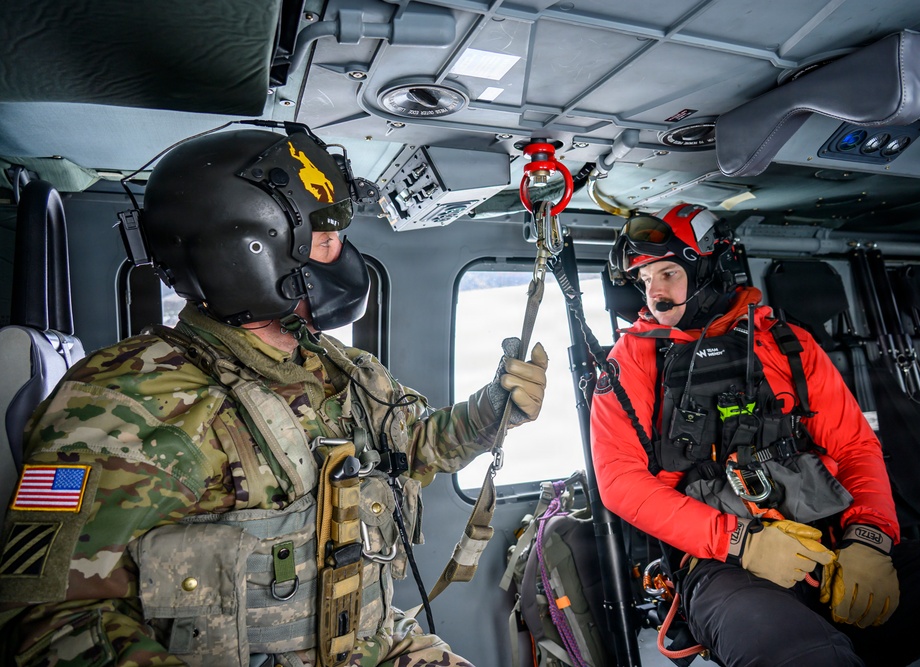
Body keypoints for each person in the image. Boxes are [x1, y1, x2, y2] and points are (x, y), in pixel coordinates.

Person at [0, 126, 549, 667]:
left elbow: (417, 447)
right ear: (248, 253)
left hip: (378, 642)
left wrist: (494, 410)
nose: (342, 254)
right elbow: (49, 623)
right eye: (326, 237)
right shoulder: (124, 402)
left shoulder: (341, 366)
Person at [590, 202, 920, 666]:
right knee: (800, 656)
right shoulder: (631, 362)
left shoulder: (788, 343)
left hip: (832, 543)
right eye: (645, 281)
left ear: (709, 266)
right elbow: (620, 482)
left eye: (666, 273)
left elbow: (854, 447)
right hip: (721, 564)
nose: (654, 295)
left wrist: (869, 541)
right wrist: (742, 541)